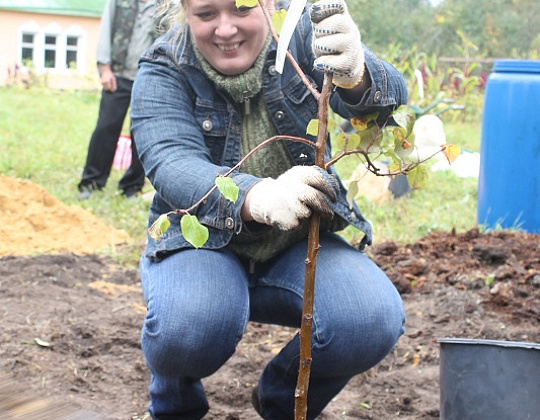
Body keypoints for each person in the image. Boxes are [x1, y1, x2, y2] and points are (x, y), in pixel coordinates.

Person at [130, 0, 407, 418]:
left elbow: (381, 108)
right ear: (184, 14)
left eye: (241, 9)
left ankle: (282, 401)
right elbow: (171, 162)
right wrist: (254, 196)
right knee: (189, 327)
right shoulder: (164, 67)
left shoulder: (299, 42)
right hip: (201, 243)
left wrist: (357, 76)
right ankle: (175, 408)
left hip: (296, 244)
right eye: (206, 14)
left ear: (270, 5)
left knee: (369, 320)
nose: (225, 29)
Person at [77, 0, 159, 200]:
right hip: (118, 75)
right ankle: (91, 182)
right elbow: (106, 29)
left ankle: (132, 186)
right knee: (106, 127)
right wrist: (104, 67)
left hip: (148, 77)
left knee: (142, 135)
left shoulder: (166, 4)